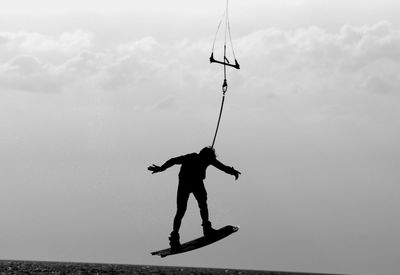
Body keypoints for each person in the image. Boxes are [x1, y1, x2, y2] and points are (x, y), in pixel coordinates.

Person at [148, 146, 241, 250]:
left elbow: (222, 167)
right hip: (185, 183)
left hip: (196, 183)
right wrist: (161, 168)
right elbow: (173, 161)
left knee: (201, 205)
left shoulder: (208, 159)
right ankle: (175, 237)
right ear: (203, 155)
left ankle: (206, 229)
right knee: (182, 210)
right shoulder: (191, 157)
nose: (209, 161)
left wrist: (233, 172)